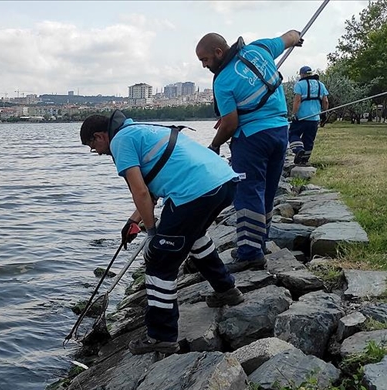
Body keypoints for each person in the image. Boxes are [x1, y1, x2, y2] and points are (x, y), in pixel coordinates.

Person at [80, 112, 244, 355]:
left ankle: (161, 336)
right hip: (222, 183)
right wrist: (133, 221)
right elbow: (151, 186)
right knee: (195, 235)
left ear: (99, 136)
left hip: (195, 193)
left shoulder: (119, 141)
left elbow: (141, 192)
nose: (98, 152)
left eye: (93, 147)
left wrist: (152, 233)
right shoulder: (140, 130)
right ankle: (227, 290)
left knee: (159, 260)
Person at [195, 30, 303, 271]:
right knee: (266, 191)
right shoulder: (260, 48)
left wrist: (214, 144)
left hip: (251, 139)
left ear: (219, 52)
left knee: (248, 192)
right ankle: (259, 242)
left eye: (205, 60)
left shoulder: (223, 81)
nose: (204, 66)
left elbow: (230, 123)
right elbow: (290, 37)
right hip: (279, 133)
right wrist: (297, 37)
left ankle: (249, 252)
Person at [289, 66, 329, 165]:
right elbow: (326, 101)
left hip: (301, 117)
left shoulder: (299, 85)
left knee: (292, 134)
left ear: (302, 74)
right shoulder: (321, 85)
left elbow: (297, 100)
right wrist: (324, 113)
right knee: (309, 139)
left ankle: (298, 149)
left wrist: (294, 114)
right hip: (315, 118)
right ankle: (304, 160)